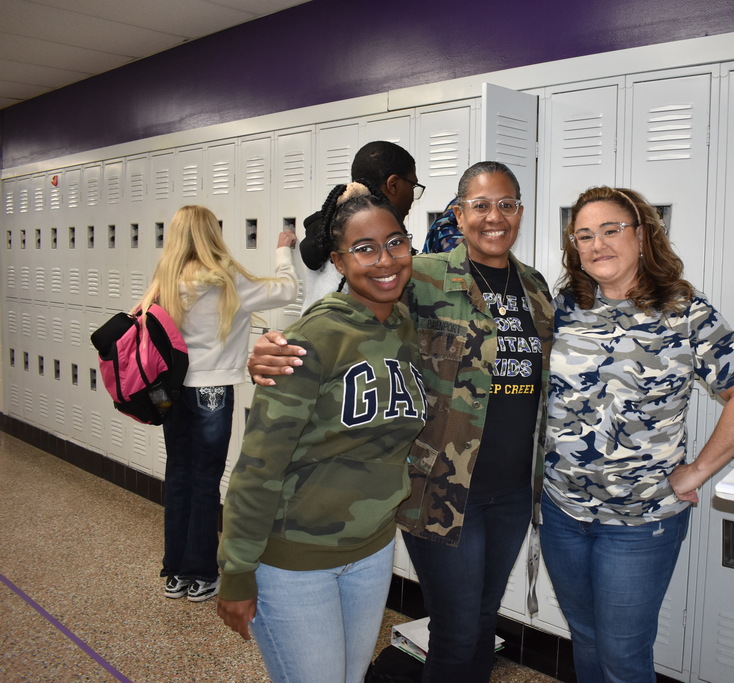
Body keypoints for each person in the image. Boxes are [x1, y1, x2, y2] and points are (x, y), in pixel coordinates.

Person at [247, 161, 555, 683]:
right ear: (459, 214)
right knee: (456, 631)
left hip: (512, 491)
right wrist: (277, 348)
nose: (494, 217)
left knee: (483, 622)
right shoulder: (425, 275)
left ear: (520, 213)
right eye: (480, 205)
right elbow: (351, 318)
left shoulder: (534, 286)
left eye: (506, 205)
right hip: (442, 489)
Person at [539, 186, 734, 683]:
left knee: (623, 656)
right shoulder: (564, 307)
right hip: (562, 511)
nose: (598, 244)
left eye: (611, 230)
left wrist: (698, 471)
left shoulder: (683, 310)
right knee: (585, 636)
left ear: (642, 236)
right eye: (585, 235)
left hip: (640, 520)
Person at [216, 184, 425, 683]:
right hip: (295, 560)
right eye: (364, 248)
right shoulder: (311, 340)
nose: (384, 260)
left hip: (372, 549)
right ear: (338, 261)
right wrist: (236, 568)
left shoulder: (403, 326)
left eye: (395, 243)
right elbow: (260, 462)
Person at [137, 205, 298, 603]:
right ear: (212, 234)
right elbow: (287, 290)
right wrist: (283, 250)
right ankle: (202, 575)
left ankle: (176, 573)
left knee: (178, 478)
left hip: (170, 394)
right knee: (205, 483)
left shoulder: (165, 281)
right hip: (211, 392)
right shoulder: (227, 280)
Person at [299, 140, 423, 307]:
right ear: (393, 185)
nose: (385, 261)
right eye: (413, 186)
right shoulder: (359, 231)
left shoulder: (332, 225)